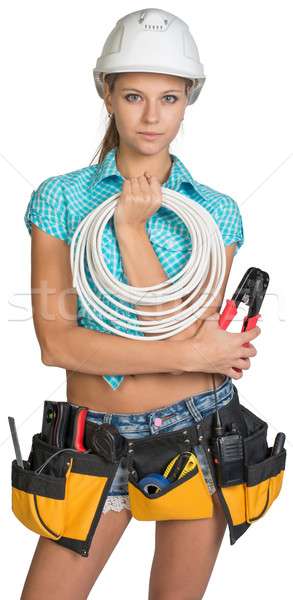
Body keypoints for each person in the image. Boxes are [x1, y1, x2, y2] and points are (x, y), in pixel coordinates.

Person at [20, 8, 260, 600]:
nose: (152, 116)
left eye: (169, 98)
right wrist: (190, 355)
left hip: (195, 432)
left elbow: (169, 325)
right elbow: (57, 345)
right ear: (106, 94)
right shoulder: (61, 198)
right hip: (91, 437)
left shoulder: (217, 213)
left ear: (188, 101)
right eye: (133, 95)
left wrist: (131, 230)